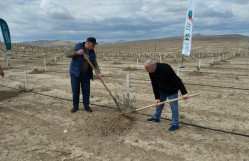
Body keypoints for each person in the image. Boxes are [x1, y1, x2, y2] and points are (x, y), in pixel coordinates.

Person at [144, 60, 189, 131]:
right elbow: (154, 85)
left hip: (172, 90)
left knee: (174, 107)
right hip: (162, 90)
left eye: (147, 69)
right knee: (159, 104)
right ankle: (156, 118)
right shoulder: (151, 73)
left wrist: (184, 93)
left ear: (152, 68)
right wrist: (157, 97)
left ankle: (175, 124)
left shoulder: (165, 68)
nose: (147, 71)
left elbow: (177, 80)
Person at [66, 37, 101, 113]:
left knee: (86, 91)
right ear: (87, 43)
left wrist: (98, 72)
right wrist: (76, 53)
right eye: (93, 45)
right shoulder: (77, 46)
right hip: (75, 74)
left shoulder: (92, 52)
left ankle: (86, 106)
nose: (94, 47)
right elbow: (67, 54)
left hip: (86, 75)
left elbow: (95, 63)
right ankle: (75, 106)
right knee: (75, 91)